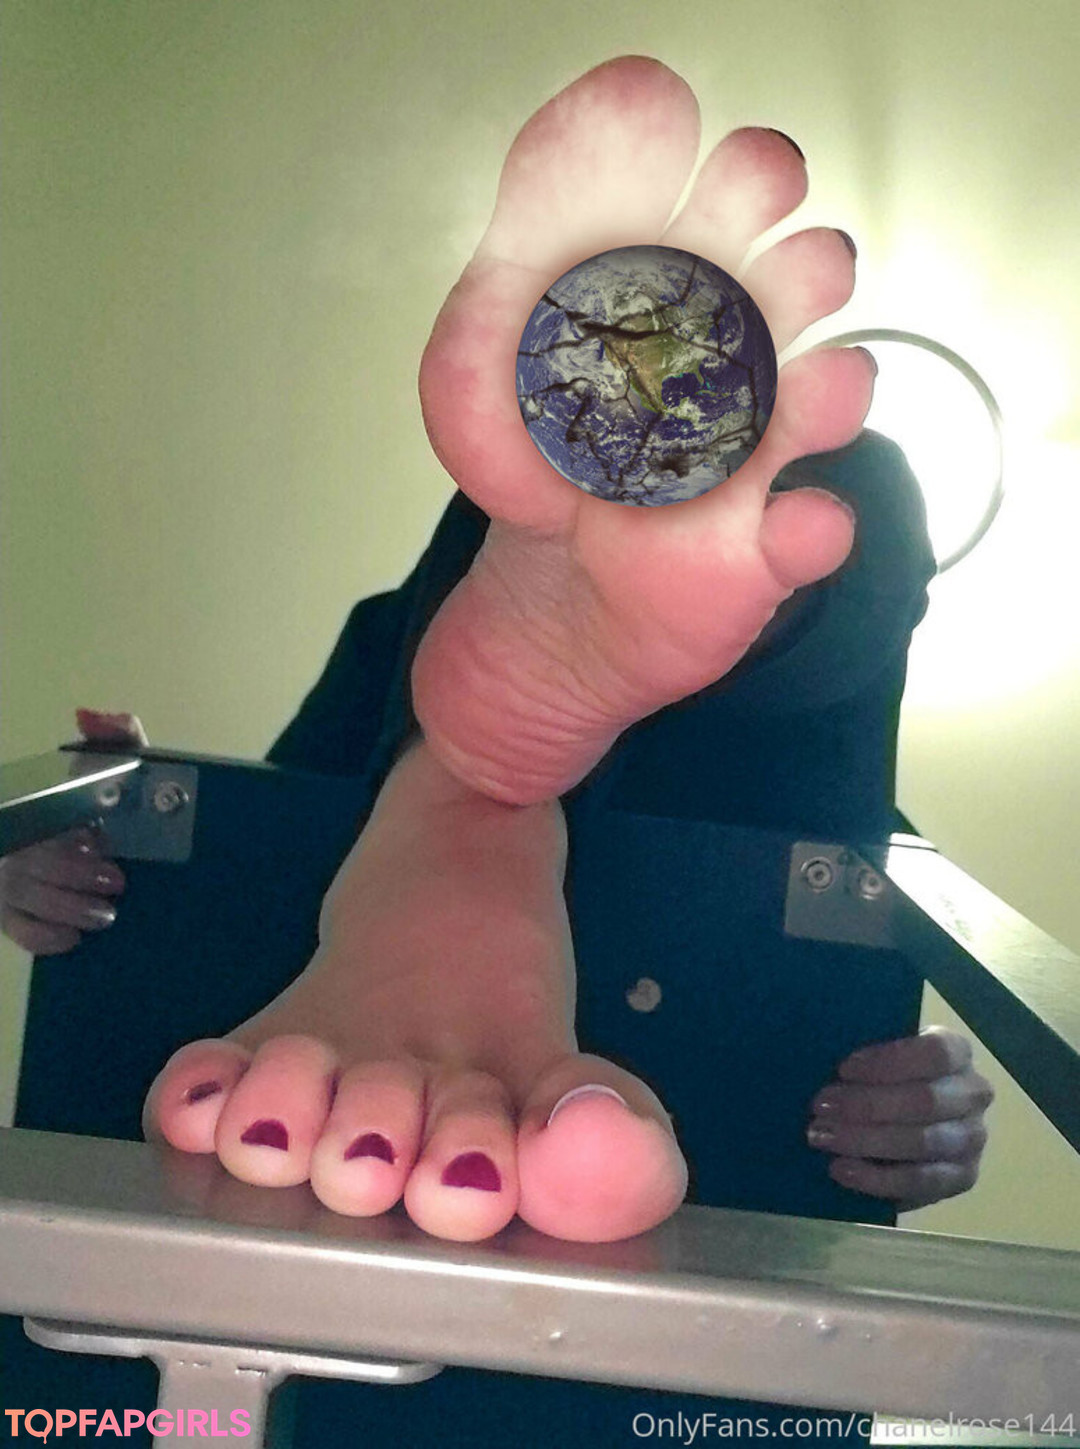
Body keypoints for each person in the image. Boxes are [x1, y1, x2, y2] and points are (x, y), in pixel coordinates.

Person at [2, 55, 992, 1439]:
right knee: (841, 535)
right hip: (588, 1260)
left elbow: (297, 833)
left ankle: (478, 770)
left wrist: (936, 1107)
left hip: (635, 879)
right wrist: (114, 860)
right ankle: (504, 729)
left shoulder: (867, 860)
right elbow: (275, 837)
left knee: (835, 531)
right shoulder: (839, 820)